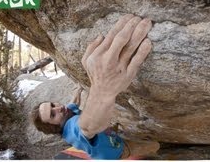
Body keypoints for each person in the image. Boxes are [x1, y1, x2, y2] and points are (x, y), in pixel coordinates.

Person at [30, 14, 160, 159]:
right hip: (118, 155)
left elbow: (73, 103)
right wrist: (103, 88)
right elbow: (87, 126)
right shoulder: (72, 130)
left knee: (153, 145)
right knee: (155, 146)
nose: (58, 108)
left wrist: (79, 89)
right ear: (53, 127)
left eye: (52, 104)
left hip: (117, 141)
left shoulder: (67, 113)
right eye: (52, 114)